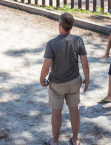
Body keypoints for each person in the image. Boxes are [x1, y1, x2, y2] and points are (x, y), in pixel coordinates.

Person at [39, 12, 89, 145]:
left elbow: (46, 67)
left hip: (57, 84)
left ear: (59, 25)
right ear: (71, 26)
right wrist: (87, 79)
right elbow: (85, 63)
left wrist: (41, 79)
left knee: (56, 112)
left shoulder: (51, 44)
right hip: (74, 82)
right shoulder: (78, 40)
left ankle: (55, 141)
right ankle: (75, 139)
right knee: (74, 110)